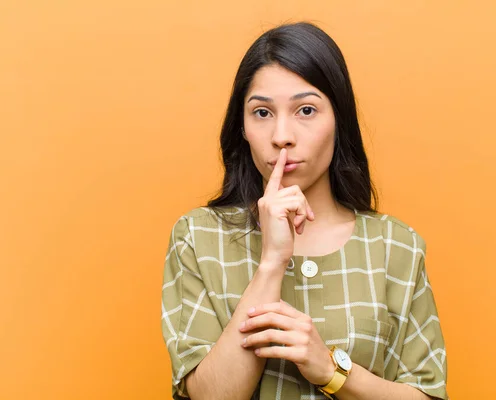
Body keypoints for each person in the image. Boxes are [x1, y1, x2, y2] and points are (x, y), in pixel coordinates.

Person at [161, 22, 448, 400]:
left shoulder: (397, 246)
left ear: (338, 121)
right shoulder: (198, 237)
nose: (282, 135)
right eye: (262, 113)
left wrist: (331, 370)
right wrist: (272, 262)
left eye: (306, 110)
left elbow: (426, 394)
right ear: (242, 127)